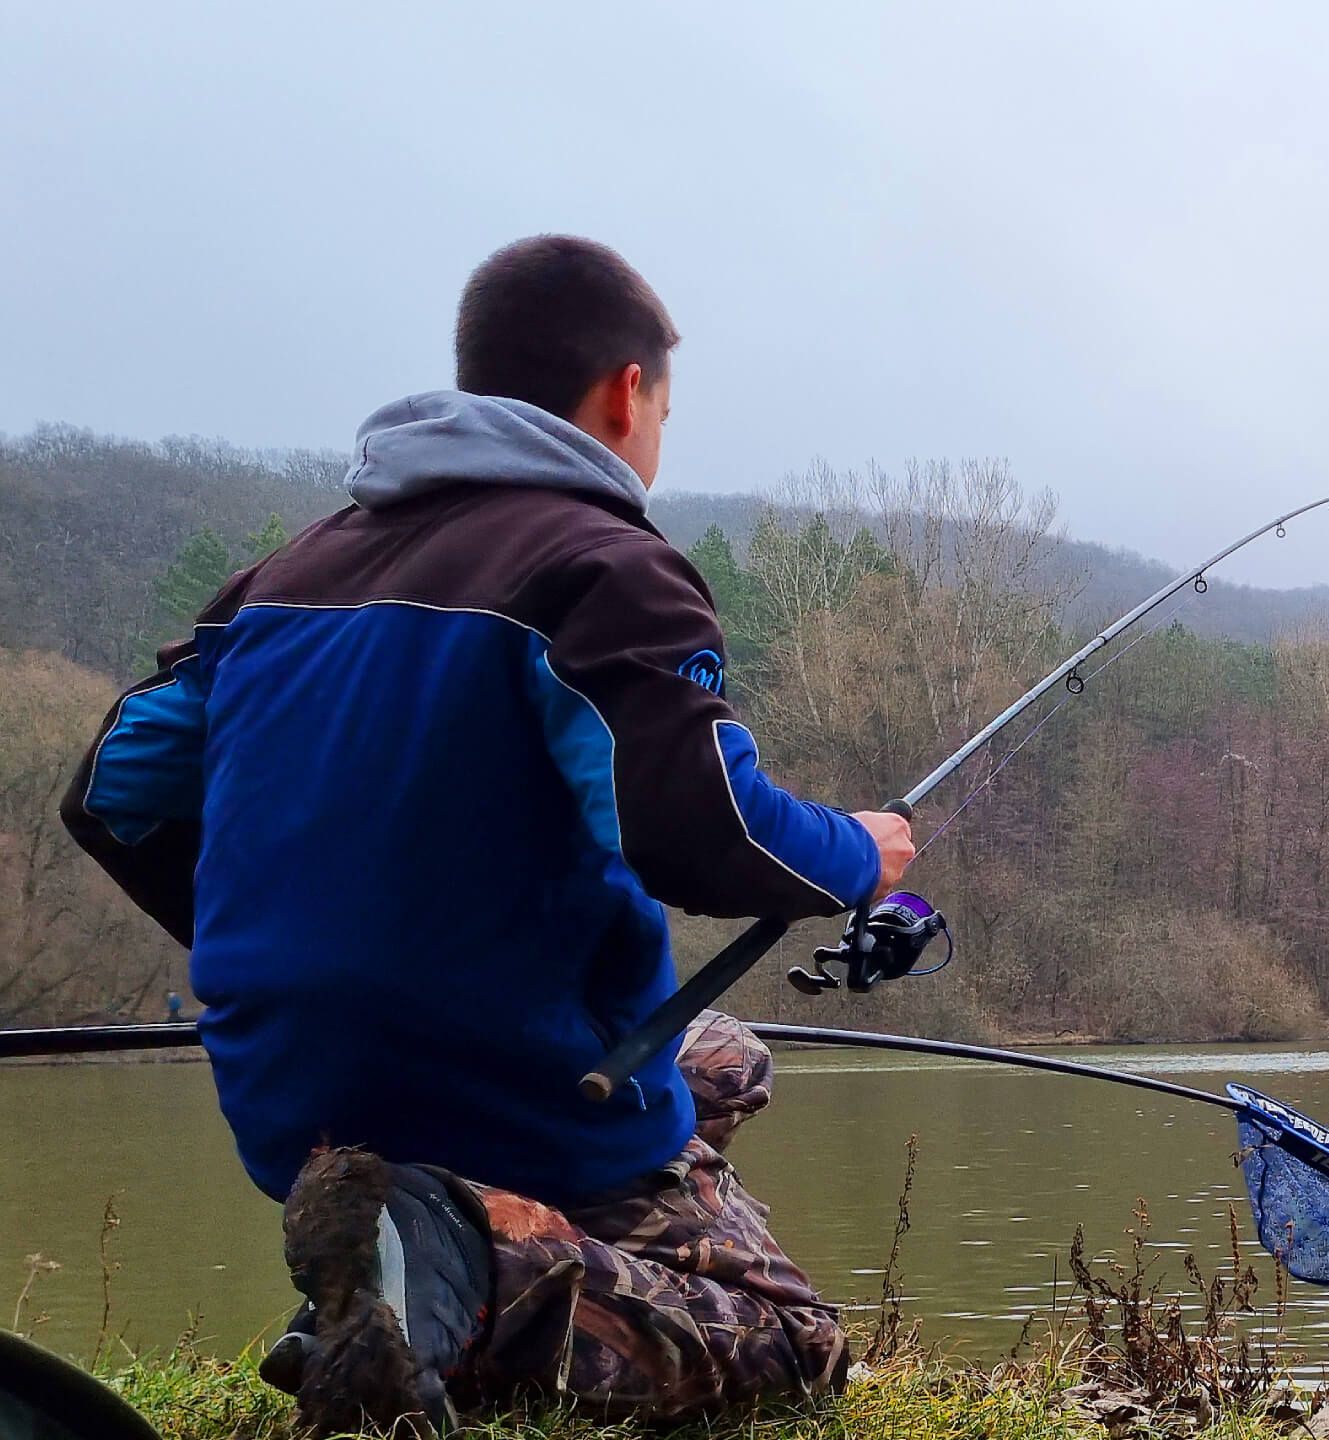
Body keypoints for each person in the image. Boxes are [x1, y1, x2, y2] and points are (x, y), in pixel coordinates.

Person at [61, 235, 914, 1433]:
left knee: (730, 1059)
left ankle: (404, 1259)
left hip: (294, 1084)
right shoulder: (605, 566)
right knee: (793, 1345)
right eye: (666, 409)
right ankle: (461, 1272)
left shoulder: (280, 578)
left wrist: (266, 943)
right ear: (628, 392)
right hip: (500, 1075)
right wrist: (860, 853)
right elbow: (698, 828)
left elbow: (113, 790)